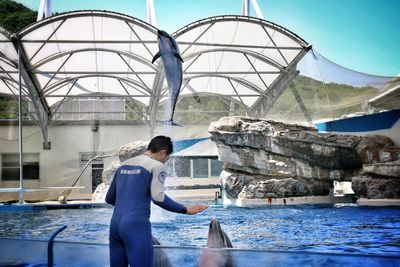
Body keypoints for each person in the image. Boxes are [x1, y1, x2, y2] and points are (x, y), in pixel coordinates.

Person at [106, 135, 208, 267]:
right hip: (136, 226)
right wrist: (186, 209)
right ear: (163, 152)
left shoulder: (123, 165)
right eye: (167, 158)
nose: (166, 161)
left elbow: (109, 198)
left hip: (115, 225)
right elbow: (158, 198)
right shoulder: (157, 166)